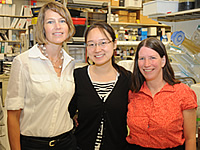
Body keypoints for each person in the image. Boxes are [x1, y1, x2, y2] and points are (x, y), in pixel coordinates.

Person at [5, 2, 77, 150]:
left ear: (68, 26)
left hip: (66, 142)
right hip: (34, 145)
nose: (57, 26)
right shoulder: (24, 62)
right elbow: (13, 117)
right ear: (42, 27)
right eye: (50, 21)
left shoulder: (71, 64)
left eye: (62, 21)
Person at [69, 22, 132, 150]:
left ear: (114, 44)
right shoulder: (77, 77)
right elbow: (66, 113)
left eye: (103, 43)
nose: (97, 49)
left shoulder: (127, 79)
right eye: (91, 44)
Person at [127, 37, 197, 150]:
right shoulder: (133, 92)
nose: (146, 64)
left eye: (152, 58)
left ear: (163, 61)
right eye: (142, 58)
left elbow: (190, 139)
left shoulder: (183, 93)